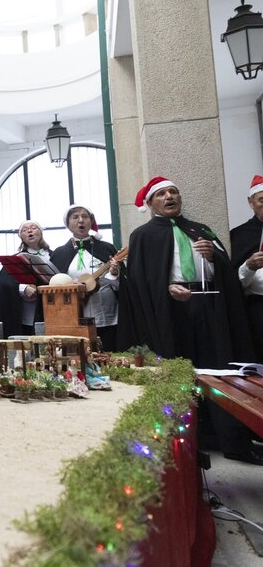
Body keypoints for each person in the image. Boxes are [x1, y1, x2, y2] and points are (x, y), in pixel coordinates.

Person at [120, 176, 260, 464]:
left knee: (219, 370)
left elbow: (226, 270)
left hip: (208, 305)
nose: (170, 197)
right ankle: (185, 445)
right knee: (179, 370)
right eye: (162, 194)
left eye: (174, 192)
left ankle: (232, 441)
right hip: (170, 310)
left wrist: (213, 257)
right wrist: (166, 289)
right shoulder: (142, 236)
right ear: (150, 204)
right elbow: (139, 282)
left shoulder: (200, 230)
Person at [49, 206, 121, 351]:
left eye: (85, 217)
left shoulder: (107, 248)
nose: (81, 220)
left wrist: (114, 274)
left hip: (106, 313)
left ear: (91, 221)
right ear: (68, 224)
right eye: (75, 217)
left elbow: (120, 287)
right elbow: (53, 288)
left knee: (108, 352)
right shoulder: (59, 253)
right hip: (74, 314)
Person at [0, 220, 54, 337]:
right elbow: (4, 283)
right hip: (26, 316)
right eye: (25, 230)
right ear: (21, 236)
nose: (29, 231)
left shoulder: (54, 256)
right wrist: (23, 288)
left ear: (41, 232)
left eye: (33, 228)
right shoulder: (15, 259)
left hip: (51, 312)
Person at [230, 175, 263, 361]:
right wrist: (248, 267)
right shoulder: (239, 235)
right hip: (258, 308)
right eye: (262, 200)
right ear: (251, 203)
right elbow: (232, 282)